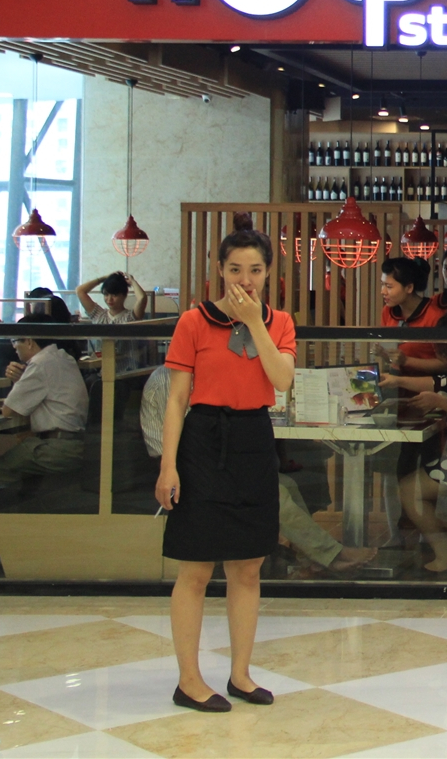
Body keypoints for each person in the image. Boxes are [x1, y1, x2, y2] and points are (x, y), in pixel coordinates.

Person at [155, 228, 295, 713]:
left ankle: (240, 674)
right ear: (220, 270)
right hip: (202, 441)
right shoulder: (193, 322)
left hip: (254, 439)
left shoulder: (280, 323)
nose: (245, 279)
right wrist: (168, 466)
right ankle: (189, 680)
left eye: (255, 270)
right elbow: (176, 400)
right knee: (195, 567)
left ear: (268, 272)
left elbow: (282, 380)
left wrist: (255, 322)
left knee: (248, 566)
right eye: (235, 269)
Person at [140, 366, 374, 576]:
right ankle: (330, 555)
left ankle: (312, 558)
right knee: (275, 492)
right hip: (184, 468)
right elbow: (179, 440)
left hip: (214, 461)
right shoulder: (167, 380)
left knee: (287, 484)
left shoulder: (205, 373)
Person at [380, 304, 447, 573]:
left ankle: (446, 554)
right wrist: (397, 382)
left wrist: (443, 404)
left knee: (409, 490)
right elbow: (441, 383)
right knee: (414, 489)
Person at [0, 315, 91, 506]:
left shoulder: (40, 363)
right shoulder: (63, 358)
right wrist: (22, 380)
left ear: (29, 341)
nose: (14, 347)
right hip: (76, 444)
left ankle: (4, 519)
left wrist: (19, 381)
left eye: (15, 341)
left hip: (55, 449)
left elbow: (8, 411)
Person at [380, 257, 446, 377]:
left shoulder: (435, 316)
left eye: (389, 287)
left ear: (409, 288)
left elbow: (446, 364)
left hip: (427, 384)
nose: (383, 291)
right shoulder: (387, 311)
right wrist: (383, 354)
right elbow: (391, 358)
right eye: (382, 285)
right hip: (396, 382)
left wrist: (406, 361)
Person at [76, 272, 147, 361]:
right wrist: (103, 278)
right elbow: (80, 291)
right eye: (106, 294)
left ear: (124, 295)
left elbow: (142, 298)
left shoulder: (131, 317)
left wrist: (132, 281)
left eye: (114, 295)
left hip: (127, 368)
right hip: (100, 367)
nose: (109, 299)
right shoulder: (98, 314)